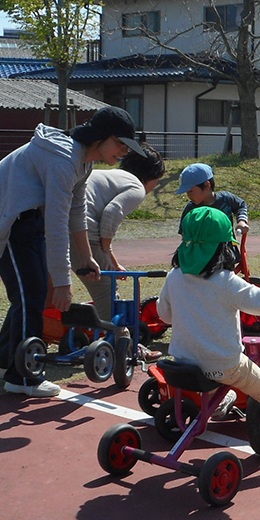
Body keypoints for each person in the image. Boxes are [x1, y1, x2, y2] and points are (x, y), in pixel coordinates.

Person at [0, 106, 144, 397]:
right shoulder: (65, 160)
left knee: (32, 292)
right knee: (32, 294)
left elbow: (76, 211)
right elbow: (56, 226)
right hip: (8, 215)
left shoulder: (83, 161)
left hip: (27, 216)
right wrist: (64, 283)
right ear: (100, 137)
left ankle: (4, 363)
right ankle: (23, 379)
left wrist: (86, 257)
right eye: (120, 144)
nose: (123, 152)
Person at [157, 206, 260, 438]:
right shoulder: (225, 281)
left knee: (214, 370)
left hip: (184, 360)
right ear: (224, 247)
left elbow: (164, 315)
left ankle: (217, 403)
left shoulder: (174, 277)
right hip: (224, 364)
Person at [71, 144, 167, 361]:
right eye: (157, 179)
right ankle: (128, 346)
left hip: (61, 226)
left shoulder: (111, 176)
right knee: (108, 297)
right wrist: (104, 252)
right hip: (82, 231)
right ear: (150, 175)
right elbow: (111, 216)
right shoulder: (136, 187)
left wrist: (111, 260)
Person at [175, 162, 249, 240]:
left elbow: (241, 205)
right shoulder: (191, 209)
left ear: (207, 185)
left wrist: (241, 221)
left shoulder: (226, 199)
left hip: (227, 248)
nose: (189, 196)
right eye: (186, 192)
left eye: (191, 191)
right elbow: (184, 233)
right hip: (202, 250)